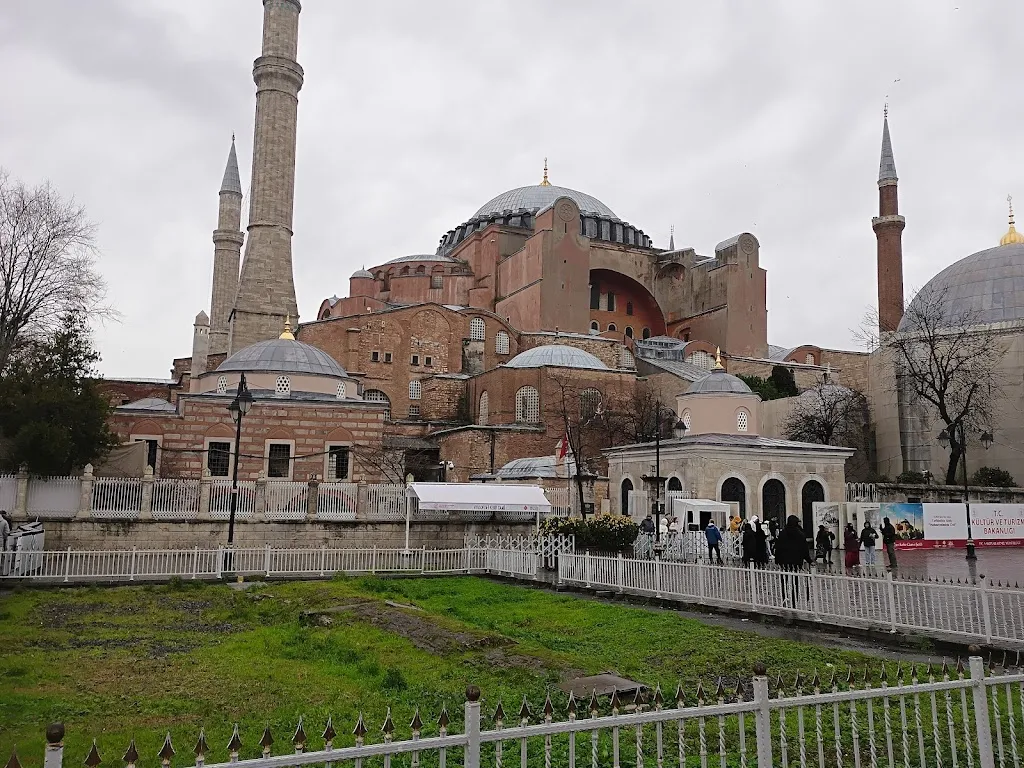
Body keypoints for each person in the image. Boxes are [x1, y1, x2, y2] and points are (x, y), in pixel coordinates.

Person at [775, 515, 813, 606]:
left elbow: (778, 547)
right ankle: (794, 598)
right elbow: (804, 549)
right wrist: (809, 560)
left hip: (784, 562)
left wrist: (777, 560)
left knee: (784, 580)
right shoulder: (800, 534)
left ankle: (784, 597)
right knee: (795, 581)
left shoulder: (782, 533)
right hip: (796, 561)